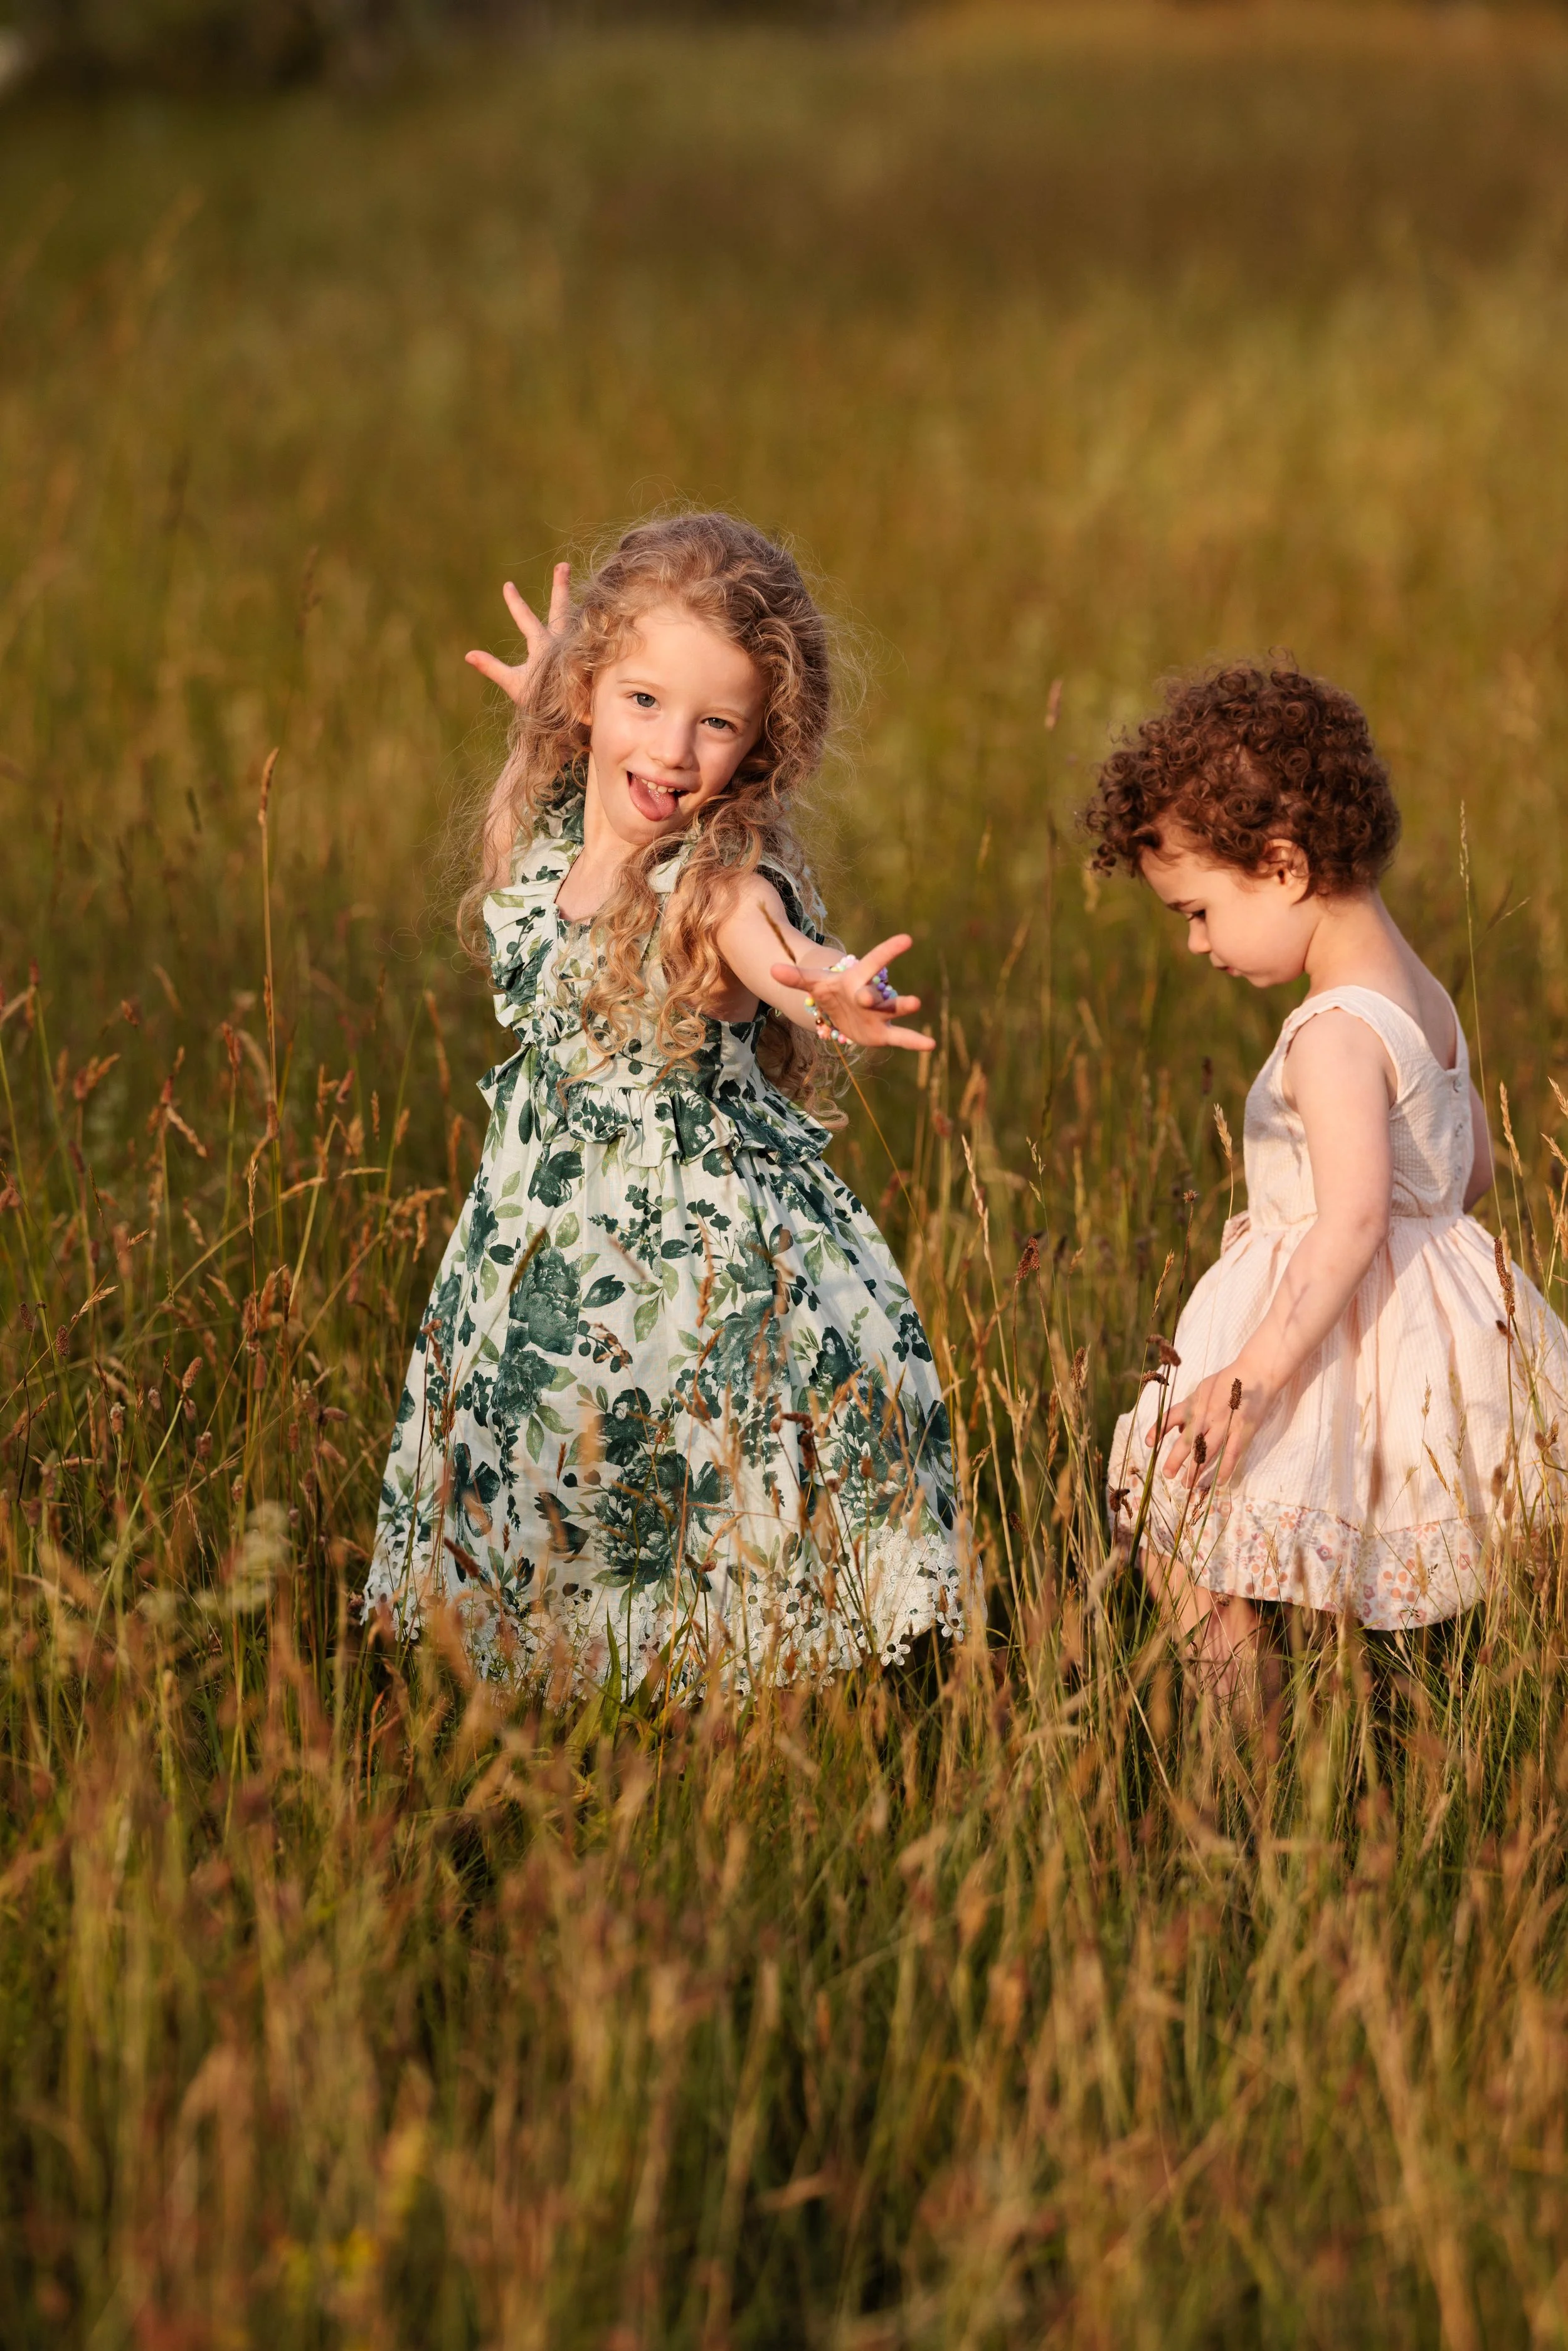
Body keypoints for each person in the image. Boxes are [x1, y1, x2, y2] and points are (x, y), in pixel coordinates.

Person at [365, 512, 961, 1694]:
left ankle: (719, 1743)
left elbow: (781, 948)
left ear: (760, 747)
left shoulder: (713, 876)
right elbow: (593, 738)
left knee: (687, 1503)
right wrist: (556, 693)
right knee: (543, 1478)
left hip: (684, 1275)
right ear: (588, 694)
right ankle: (549, 1717)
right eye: (643, 702)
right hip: (534, 1256)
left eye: (717, 724)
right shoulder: (548, 834)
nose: (675, 751)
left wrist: (830, 991)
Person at [1085, 662, 1567, 1694]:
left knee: (1172, 1528)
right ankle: (1348, 1737)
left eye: (1200, 910)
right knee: (1343, 1557)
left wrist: (1248, 1380)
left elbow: (1350, 1224)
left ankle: (1243, 1785)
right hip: (1442, 1327)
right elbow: (1468, 1167)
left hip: (1319, 1329)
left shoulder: (1331, 1032)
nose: (1195, 943)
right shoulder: (1421, 995)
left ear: (1286, 867)